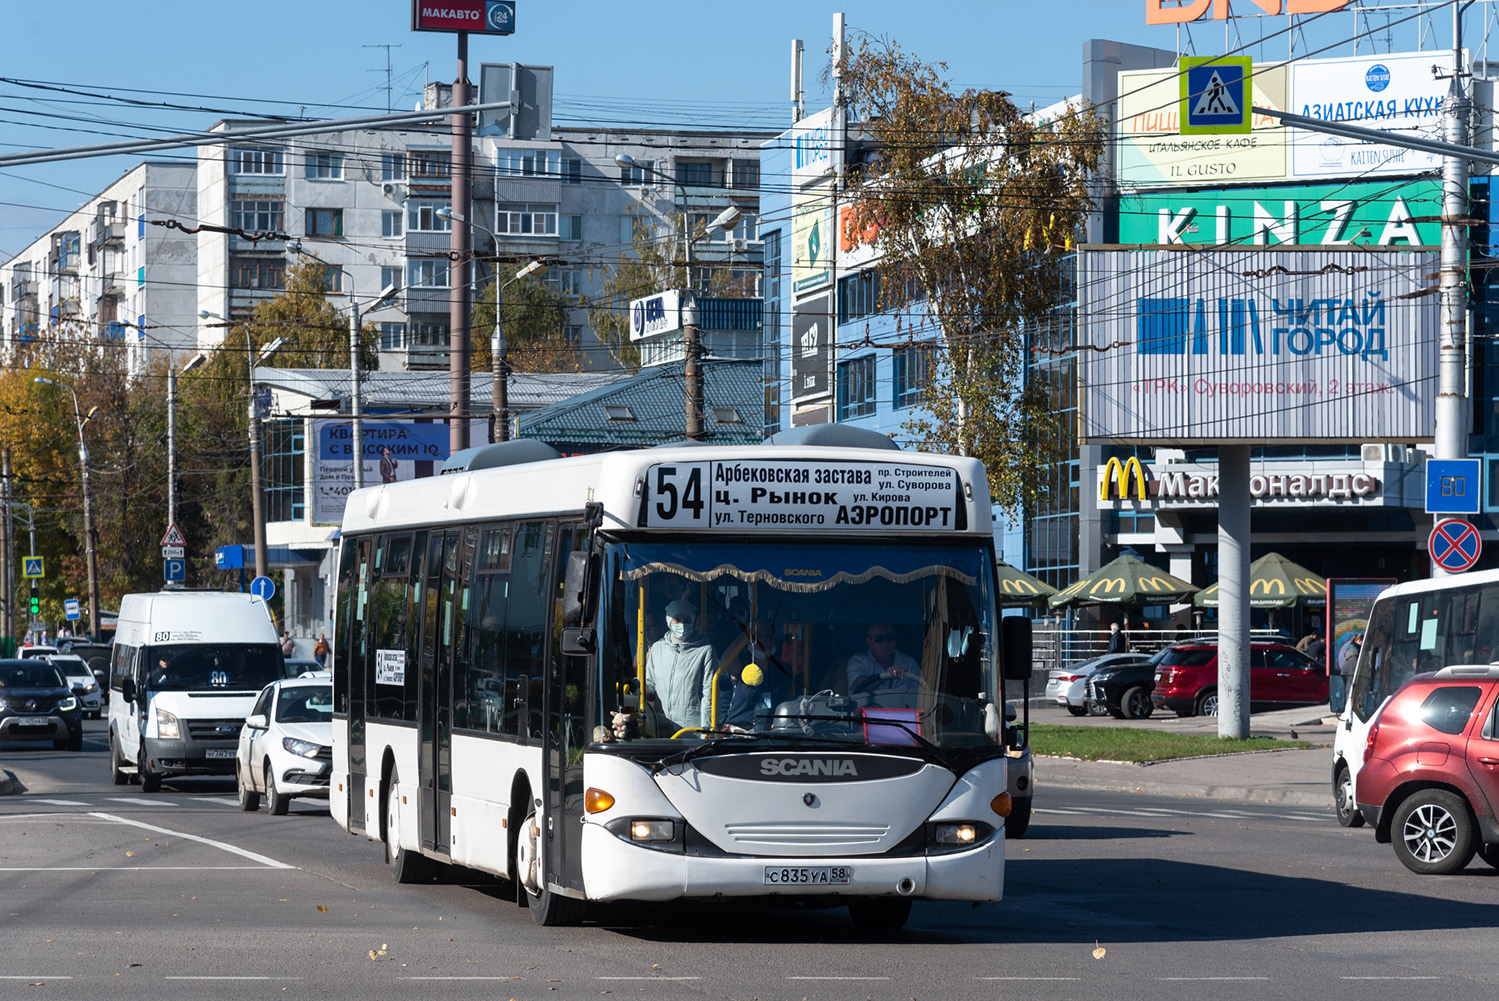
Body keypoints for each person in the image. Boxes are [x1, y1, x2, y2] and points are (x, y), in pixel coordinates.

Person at [643, 600, 717, 734]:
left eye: (687, 619)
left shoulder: (705, 651)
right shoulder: (657, 649)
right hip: (662, 727)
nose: (682, 624)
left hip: (691, 730)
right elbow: (650, 686)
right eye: (677, 619)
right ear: (668, 621)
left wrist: (707, 730)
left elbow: (709, 694)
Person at [721, 617, 790, 729]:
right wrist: (747, 632)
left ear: (775, 640)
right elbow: (725, 661)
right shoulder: (742, 665)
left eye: (768, 637)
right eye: (758, 637)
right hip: (738, 731)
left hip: (771, 733)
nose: (763, 641)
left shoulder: (781, 670)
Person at [847, 623, 920, 695]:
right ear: (868, 641)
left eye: (890, 637)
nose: (885, 643)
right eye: (878, 639)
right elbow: (859, 685)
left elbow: (921, 695)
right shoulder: (858, 661)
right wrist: (885, 676)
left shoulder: (909, 663)